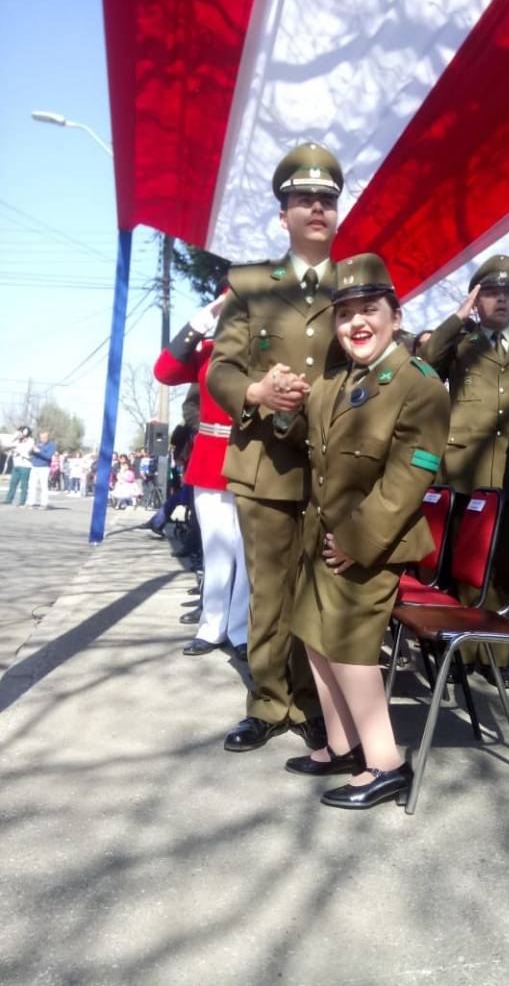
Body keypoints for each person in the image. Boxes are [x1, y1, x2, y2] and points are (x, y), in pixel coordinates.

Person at [280, 254, 450, 808]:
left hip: (370, 546)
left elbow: (410, 477)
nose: (357, 322)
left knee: (351, 648)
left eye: (369, 310)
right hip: (323, 539)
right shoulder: (335, 382)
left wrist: (356, 542)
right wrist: (276, 397)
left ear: (395, 316)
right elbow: (300, 427)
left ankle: (385, 763)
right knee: (314, 636)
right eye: (346, 312)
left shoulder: (419, 385)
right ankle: (342, 744)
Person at [207, 142, 348, 753]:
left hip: (333, 466)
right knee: (269, 588)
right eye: (302, 199)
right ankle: (268, 702)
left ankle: (315, 700)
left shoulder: (358, 285)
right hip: (265, 462)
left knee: (320, 588)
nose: (315, 208)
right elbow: (220, 370)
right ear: (283, 214)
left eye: (326, 199)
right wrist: (259, 391)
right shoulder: (248, 284)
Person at [422, 254, 509, 684]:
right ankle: (456, 651)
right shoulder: (460, 344)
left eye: (507, 293)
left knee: (502, 570)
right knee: (460, 566)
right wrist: (457, 319)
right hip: (463, 474)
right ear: (477, 300)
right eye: (491, 293)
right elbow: (422, 367)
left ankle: (494, 657)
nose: (501, 300)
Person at [154, 290, 251, 657]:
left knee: (246, 552)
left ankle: (241, 629)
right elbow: (164, 371)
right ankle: (212, 626)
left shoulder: (269, 348)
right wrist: (204, 316)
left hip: (252, 457)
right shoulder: (208, 349)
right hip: (211, 459)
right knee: (215, 548)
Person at [3, 427, 33, 506]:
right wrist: (14, 437)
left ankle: (22, 501)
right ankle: (8, 499)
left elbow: (26, 451)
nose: (19, 434)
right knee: (12, 483)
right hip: (16, 465)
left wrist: (16, 449)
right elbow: (7, 444)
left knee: (24, 485)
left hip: (25, 466)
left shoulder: (30, 441)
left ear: (25, 433)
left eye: (20, 432)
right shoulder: (17, 441)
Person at [26, 431, 56, 509]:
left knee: (43, 486)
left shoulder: (51, 445)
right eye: (41, 437)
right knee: (32, 485)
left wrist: (39, 452)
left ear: (48, 437)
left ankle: (44, 503)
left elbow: (49, 456)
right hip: (35, 466)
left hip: (44, 467)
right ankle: (30, 502)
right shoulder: (38, 443)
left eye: (44, 437)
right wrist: (31, 450)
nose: (42, 439)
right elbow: (31, 453)